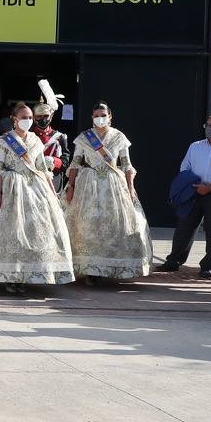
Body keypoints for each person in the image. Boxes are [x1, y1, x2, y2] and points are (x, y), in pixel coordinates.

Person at [0, 102, 74, 292]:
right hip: (9, 188)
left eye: (30, 118)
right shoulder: (5, 141)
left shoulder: (36, 141)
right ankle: (10, 276)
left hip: (35, 189)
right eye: (24, 118)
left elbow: (42, 169)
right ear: (14, 119)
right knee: (11, 233)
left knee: (35, 231)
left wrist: (52, 193)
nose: (28, 121)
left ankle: (29, 273)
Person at [63, 103, 152, 285]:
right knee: (88, 224)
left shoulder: (119, 137)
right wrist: (70, 186)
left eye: (103, 114)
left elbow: (126, 164)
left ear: (110, 116)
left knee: (114, 224)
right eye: (96, 115)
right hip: (88, 183)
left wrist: (131, 187)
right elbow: (75, 163)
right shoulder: (84, 138)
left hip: (113, 184)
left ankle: (111, 266)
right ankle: (90, 269)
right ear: (92, 117)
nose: (100, 118)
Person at [154, 114, 211, 280]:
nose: (210, 128)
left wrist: (209, 187)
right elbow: (185, 167)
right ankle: (173, 261)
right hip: (194, 190)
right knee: (184, 226)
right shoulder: (195, 146)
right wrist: (193, 184)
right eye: (208, 125)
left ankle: (208, 265)